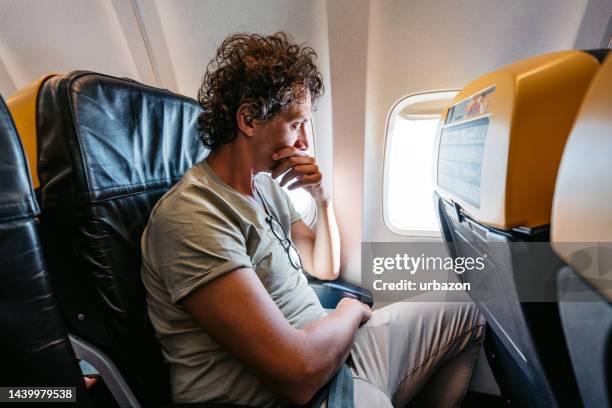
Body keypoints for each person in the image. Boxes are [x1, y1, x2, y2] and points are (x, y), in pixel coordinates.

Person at [141, 32, 485, 407]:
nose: (304, 142)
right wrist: (349, 313)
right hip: (294, 392)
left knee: (468, 306)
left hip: (333, 352)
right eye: (295, 124)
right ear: (249, 119)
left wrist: (322, 200)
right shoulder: (192, 216)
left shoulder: (266, 189)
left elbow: (323, 265)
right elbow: (297, 374)